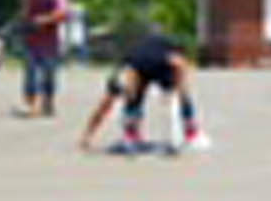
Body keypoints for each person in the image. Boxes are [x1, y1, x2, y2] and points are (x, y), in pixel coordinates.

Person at [78, 32, 208, 152]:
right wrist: (87, 135)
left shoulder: (163, 61)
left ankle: (191, 132)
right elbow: (104, 106)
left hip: (158, 59)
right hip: (138, 62)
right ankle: (132, 132)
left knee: (182, 92)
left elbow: (180, 65)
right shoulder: (122, 75)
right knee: (133, 97)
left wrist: (178, 93)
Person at [21, 0, 70, 116]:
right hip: (32, 40)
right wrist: (27, 23)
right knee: (30, 74)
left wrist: (44, 20)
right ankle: (32, 104)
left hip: (50, 41)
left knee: (49, 75)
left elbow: (63, 13)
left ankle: (47, 101)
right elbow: (26, 11)